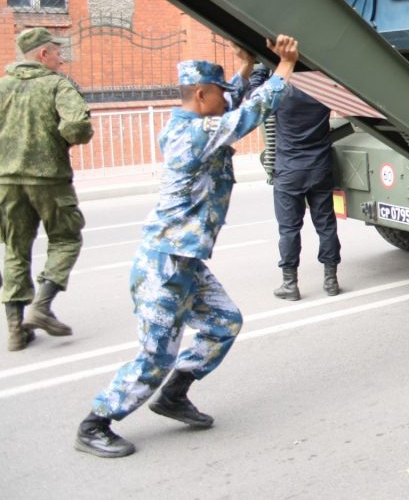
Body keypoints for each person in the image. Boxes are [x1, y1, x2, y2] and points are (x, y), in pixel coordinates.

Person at [74, 35, 299, 458]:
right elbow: (250, 112)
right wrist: (285, 65)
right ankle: (96, 422)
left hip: (186, 261)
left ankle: (173, 395)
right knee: (155, 354)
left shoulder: (193, 120)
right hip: (165, 262)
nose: (226, 98)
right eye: (218, 93)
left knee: (224, 322)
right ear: (201, 94)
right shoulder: (194, 135)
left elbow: (229, 103)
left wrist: (245, 68)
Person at [0, 27, 93, 352]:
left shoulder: (3, 86)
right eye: (57, 52)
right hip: (49, 179)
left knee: (15, 248)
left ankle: (14, 329)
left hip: (7, 181)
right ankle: (41, 306)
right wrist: (62, 138)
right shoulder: (56, 85)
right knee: (66, 238)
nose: (61, 58)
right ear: (43, 54)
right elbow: (77, 126)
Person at [250, 64, 341, 300]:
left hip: (289, 173)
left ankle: (290, 284)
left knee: (289, 229)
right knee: (326, 225)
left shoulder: (280, 93)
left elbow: (254, 95)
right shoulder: (323, 92)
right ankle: (331, 280)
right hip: (320, 169)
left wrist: (262, 68)